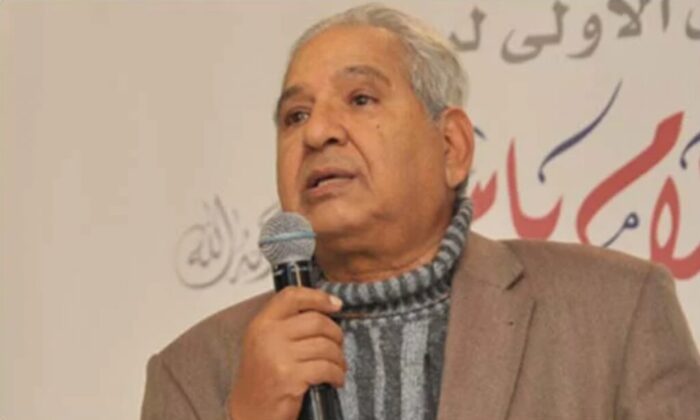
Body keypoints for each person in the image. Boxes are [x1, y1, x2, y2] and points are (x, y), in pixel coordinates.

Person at [141, 4, 700, 420]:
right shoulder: (191, 372)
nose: (317, 132)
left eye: (360, 99)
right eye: (295, 116)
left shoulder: (617, 310)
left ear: (451, 146)